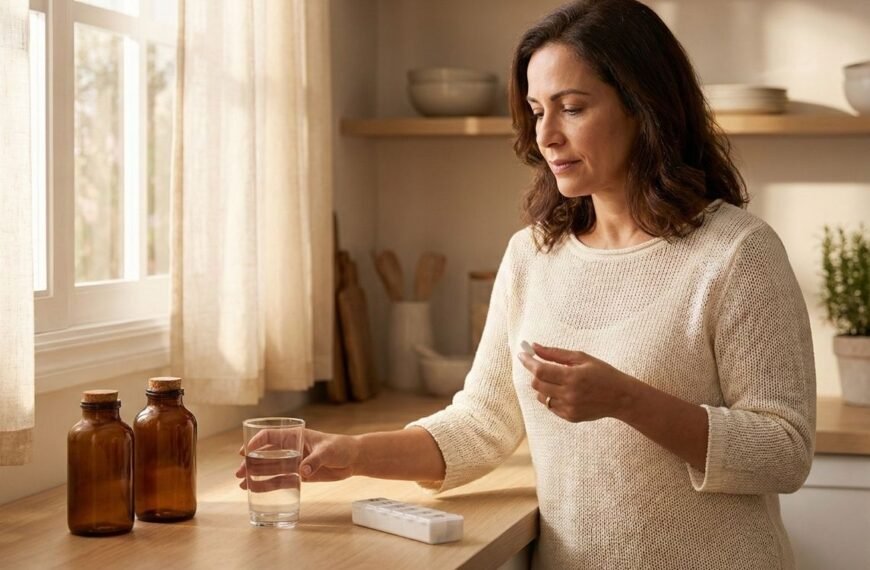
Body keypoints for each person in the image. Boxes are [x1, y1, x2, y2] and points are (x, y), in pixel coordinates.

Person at [236, 0, 816, 567]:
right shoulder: (532, 255)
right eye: (538, 111)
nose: (547, 135)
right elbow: (481, 423)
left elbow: (784, 452)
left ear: (645, 107)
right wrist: (350, 453)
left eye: (572, 108)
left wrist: (625, 399)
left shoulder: (737, 251)